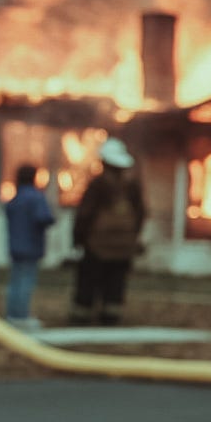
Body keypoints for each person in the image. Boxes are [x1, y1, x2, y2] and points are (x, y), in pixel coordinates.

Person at [69, 138, 146, 326]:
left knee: (89, 279)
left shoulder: (98, 185)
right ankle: (111, 315)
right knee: (116, 281)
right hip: (123, 246)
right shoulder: (132, 186)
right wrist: (132, 238)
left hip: (96, 245)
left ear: (104, 162)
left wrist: (78, 239)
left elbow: (85, 214)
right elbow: (141, 214)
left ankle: (82, 314)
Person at [4, 164, 55, 328]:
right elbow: (43, 218)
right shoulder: (36, 197)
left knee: (15, 280)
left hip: (15, 246)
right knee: (26, 281)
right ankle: (21, 316)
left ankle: (12, 314)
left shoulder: (16, 197)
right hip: (31, 246)